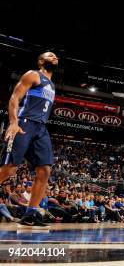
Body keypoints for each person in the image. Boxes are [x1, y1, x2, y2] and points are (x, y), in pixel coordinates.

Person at [0, 52, 58, 229]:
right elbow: (14, 98)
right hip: (24, 123)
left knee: (45, 170)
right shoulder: (33, 74)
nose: (55, 57)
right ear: (41, 61)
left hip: (41, 128)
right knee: (10, 169)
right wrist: (13, 122)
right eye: (50, 55)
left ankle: (31, 213)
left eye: (56, 56)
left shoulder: (52, 84)